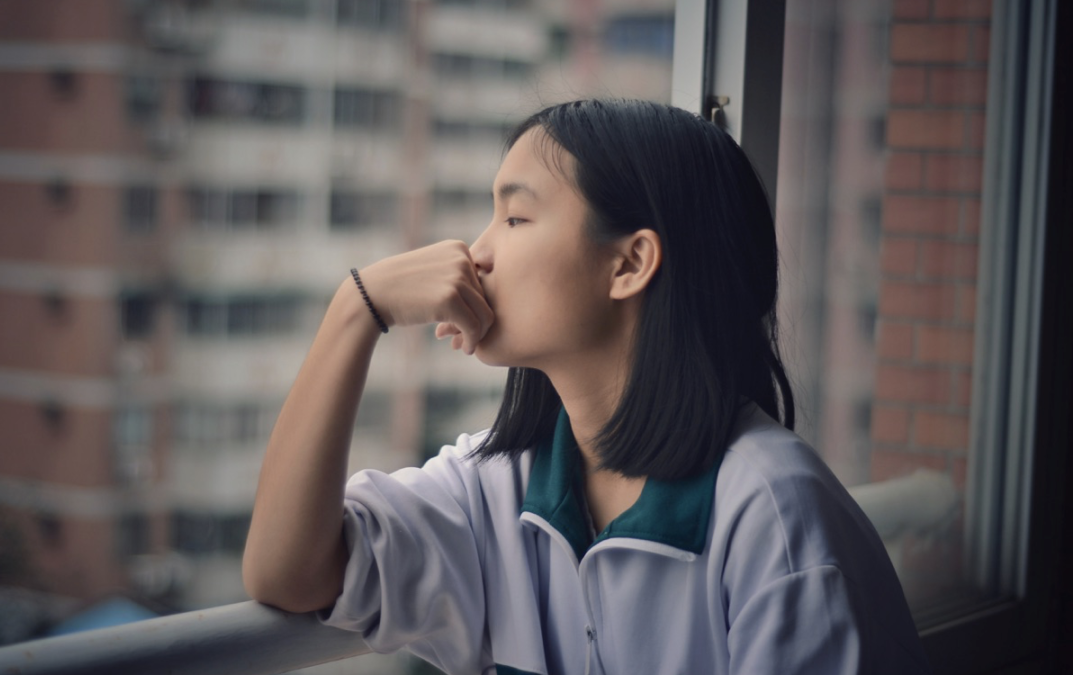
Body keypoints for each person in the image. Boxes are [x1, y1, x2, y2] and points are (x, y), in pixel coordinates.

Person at [242, 99, 932, 674]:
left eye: (514, 218)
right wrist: (355, 308)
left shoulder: (777, 518)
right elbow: (289, 571)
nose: (474, 253)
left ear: (630, 263)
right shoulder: (497, 486)